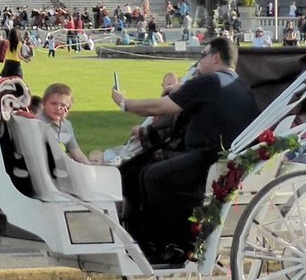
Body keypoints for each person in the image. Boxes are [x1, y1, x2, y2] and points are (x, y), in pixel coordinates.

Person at [112, 35, 259, 264]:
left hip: (205, 158)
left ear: (216, 57)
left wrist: (124, 103)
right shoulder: (241, 86)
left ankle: (169, 243)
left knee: (151, 175)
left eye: (203, 56)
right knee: (138, 170)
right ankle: (146, 239)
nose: (199, 62)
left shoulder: (211, 81)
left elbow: (161, 107)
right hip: (222, 161)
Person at [35, 83, 88, 164]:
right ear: (44, 104)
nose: (58, 108)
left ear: (68, 109)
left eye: (63, 105)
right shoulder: (36, 122)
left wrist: (90, 168)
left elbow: (76, 152)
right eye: (53, 103)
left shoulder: (66, 125)